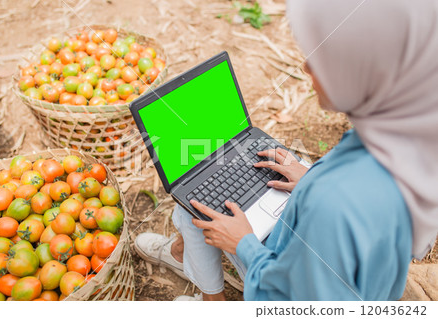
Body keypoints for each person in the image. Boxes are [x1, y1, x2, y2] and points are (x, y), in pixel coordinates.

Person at [134, 0, 438, 300]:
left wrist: (242, 243)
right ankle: (181, 256)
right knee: (198, 193)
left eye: (321, 59)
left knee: (193, 211)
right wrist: (309, 179)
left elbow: (294, 299)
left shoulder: (336, 202)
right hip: (348, 268)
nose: (306, 68)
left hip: (283, 266)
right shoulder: (404, 138)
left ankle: (212, 300)